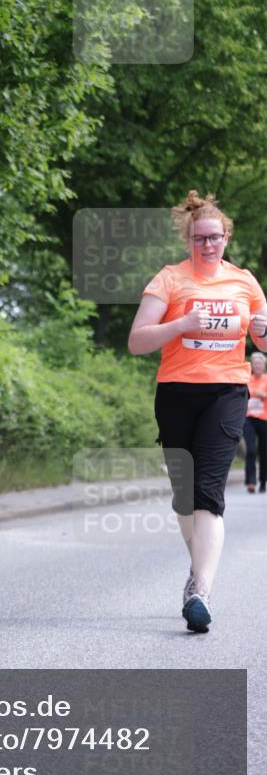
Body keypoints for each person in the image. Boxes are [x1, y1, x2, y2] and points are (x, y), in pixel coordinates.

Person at [128, 191, 267, 633]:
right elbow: (138, 341)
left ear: (227, 238)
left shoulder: (244, 282)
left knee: (208, 493)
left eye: (215, 238)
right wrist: (180, 325)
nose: (208, 245)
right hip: (176, 393)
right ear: (188, 240)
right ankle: (198, 575)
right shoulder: (168, 280)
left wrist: (263, 333)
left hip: (227, 392)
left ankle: (200, 591)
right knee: (185, 498)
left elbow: (263, 340)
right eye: (199, 238)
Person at [244, 351, 267, 494]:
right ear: (252, 365)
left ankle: (263, 481)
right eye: (255, 363)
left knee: (264, 452)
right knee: (251, 450)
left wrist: (262, 394)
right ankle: (251, 482)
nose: (257, 365)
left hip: (264, 419)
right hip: (249, 418)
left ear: (264, 365)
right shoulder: (247, 379)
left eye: (260, 363)